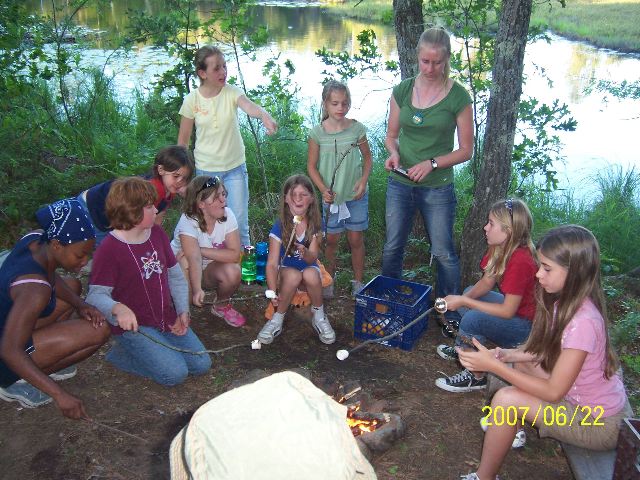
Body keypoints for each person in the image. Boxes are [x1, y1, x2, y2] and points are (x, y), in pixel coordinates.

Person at [458, 225, 633, 480]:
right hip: (584, 401)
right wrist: (506, 355)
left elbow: (553, 392)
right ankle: (513, 429)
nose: (538, 274)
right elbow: (543, 351)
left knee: (506, 400)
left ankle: (484, 477)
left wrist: (495, 367)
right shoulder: (566, 303)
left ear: (575, 272)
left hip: (597, 423)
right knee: (520, 364)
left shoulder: (583, 322)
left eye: (547, 268)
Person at [382, 27, 473, 327]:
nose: (430, 68)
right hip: (400, 183)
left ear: (447, 59)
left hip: (438, 188)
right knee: (393, 247)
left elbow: (466, 150)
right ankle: (389, 303)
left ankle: (448, 313)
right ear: (417, 57)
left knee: (444, 253)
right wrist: (394, 154)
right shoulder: (403, 91)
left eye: (437, 62)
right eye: (425, 61)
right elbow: (391, 136)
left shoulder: (458, 96)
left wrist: (432, 163)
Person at [86, 177, 211, 386]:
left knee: (201, 364)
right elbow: (95, 295)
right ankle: (121, 354)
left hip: (164, 317)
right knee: (175, 374)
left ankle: (156, 351)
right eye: (149, 206)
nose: (156, 210)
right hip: (135, 326)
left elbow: (175, 275)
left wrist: (182, 310)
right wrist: (118, 308)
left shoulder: (157, 234)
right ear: (131, 211)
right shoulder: (109, 249)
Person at [0, 199, 110, 418]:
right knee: (99, 331)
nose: (85, 261)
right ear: (58, 245)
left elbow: (48, 274)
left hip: (10, 322)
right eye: (80, 255)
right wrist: (60, 395)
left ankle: (45, 358)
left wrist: (81, 304)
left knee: (73, 286)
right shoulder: (34, 291)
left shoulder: (36, 239)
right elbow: (9, 350)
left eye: (88, 253)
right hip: (6, 355)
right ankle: (15, 381)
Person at [177, 45, 278, 247]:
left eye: (224, 66)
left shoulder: (232, 92)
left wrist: (264, 115)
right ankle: (211, 260)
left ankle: (243, 264)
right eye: (216, 68)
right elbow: (183, 142)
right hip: (206, 172)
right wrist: (181, 178)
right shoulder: (192, 100)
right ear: (202, 73)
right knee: (207, 220)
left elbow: (249, 106)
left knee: (239, 223)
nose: (223, 72)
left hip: (235, 169)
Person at [435, 199, 537, 397]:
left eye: (491, 223)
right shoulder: (500, 247)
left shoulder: (521, 260)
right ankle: (465, 350)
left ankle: (476, 375)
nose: (485, 227)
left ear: (508, 231)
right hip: (517, 313)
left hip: (527, 328)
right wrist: (460, 299)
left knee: (473, 317)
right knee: (469, 293)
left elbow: (507, 311)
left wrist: (464, 301)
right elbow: (486, 283)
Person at [307, 80, 373, 297]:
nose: (340, 108)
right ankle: (328, 281)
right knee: (331, 241)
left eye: (345, 103)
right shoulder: (317, 133)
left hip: (355, 195)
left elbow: (367, 158)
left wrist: (363, 180)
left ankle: (358, 282)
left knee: (356, 239)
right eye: (335, 103)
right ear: (325, 104)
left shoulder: (356, 129)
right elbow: (311, 166)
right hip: (331, 198)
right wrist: (322, 189)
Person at [257, 175, 335, 345]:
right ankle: (277, 318)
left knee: (311, 274)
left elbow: (312, 257)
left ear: (312, 199)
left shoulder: (316, 224)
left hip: (308, 268)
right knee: (293, 275)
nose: (298, 199)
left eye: (303, 194)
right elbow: (272, 264)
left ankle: (319, 315)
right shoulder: (280, 225)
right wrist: (272, 291)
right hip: (286, 272)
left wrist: (305, 252)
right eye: (293, 194)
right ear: (286, 199)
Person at [78, 145, 194, 244]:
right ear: (161, 170)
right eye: (176, 176)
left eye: (184, 178)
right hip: (94, 207)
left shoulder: (170, 188)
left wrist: (155, 240)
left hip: (112, 210)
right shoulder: (151, 189)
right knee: (109, 250)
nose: (180, 181)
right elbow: (132, 223)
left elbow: (158, 217)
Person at [171, 176, 245, 327]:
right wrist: (197, 289)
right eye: (216, 197)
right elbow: (194, 259)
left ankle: (221, 306)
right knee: (184, 261)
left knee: (233, 271)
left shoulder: (227, 214)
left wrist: (201, 250)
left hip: (209, 269)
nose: (223, 200)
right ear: (201, 203)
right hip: (181, 271)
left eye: (223, 194)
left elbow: (234, 254)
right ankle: (181, 313)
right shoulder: (188, 221)